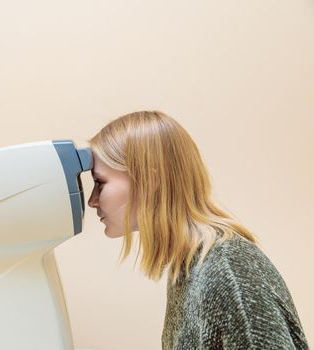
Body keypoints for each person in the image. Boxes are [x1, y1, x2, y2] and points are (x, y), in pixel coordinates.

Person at [87, 111, 309, 349]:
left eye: (100, 182)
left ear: (149, 182)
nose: (92, 200)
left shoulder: (228, 270)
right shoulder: (187, 267)